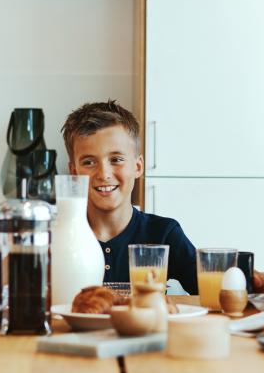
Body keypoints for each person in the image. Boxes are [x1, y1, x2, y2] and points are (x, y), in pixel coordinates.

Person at [61, 101, 198, 294]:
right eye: (89, 162)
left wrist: (245, 279)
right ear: (74, 173)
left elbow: (214, 289)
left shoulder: (163, 233)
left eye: (116, 159)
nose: (104, 174)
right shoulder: (56, 238)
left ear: (138, 167)